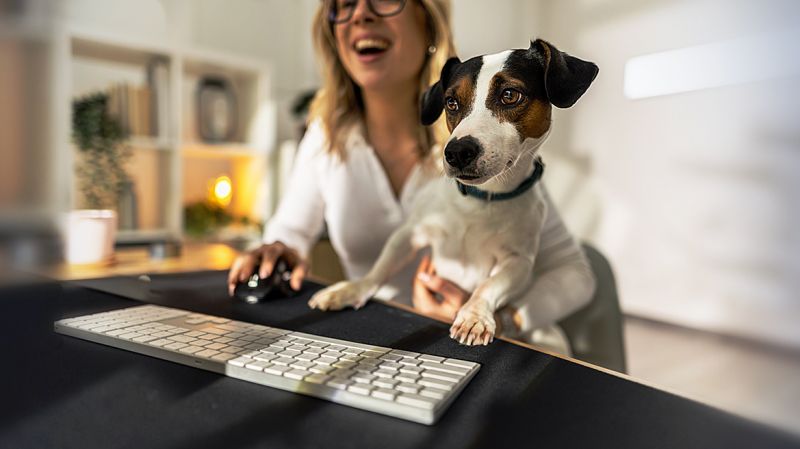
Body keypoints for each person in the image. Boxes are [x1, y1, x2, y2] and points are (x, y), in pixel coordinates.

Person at [227, 0, 595, 354]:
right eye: (344, 4)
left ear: (428, 20)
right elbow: (289, 232)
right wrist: (275, 248)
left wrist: (502, 318)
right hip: (382, 336)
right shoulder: (327, 135)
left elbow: (575, 275)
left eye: (384, 0)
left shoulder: (500, 159)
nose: (361, 15)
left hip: (492, 347)